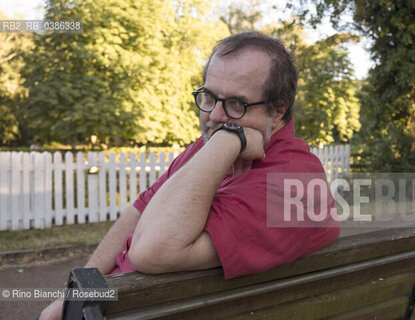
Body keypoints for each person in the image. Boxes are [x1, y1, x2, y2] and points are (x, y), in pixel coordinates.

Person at [39, 31, 340, 320]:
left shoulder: (294, 185)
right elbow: (141, 208)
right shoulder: (207, 149)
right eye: (209, 98)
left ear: (278, 111)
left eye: (237, 104)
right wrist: (73, 294)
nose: (215, 117)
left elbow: (152, 251)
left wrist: (227, 138)